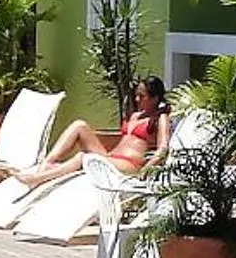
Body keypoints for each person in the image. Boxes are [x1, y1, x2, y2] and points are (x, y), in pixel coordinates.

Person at [11, 78, 170, 190]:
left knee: (83, 157)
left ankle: (38, 179)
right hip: (112, 158)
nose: (137, 99)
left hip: (130, 165)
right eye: (136, 95)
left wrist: (145, 171)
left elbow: (163, 149)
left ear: (155, 98)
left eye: (142, 96)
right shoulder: (136, 116)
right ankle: (45, 166)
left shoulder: (160, 118)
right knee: (79, 125)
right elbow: (122, 138)